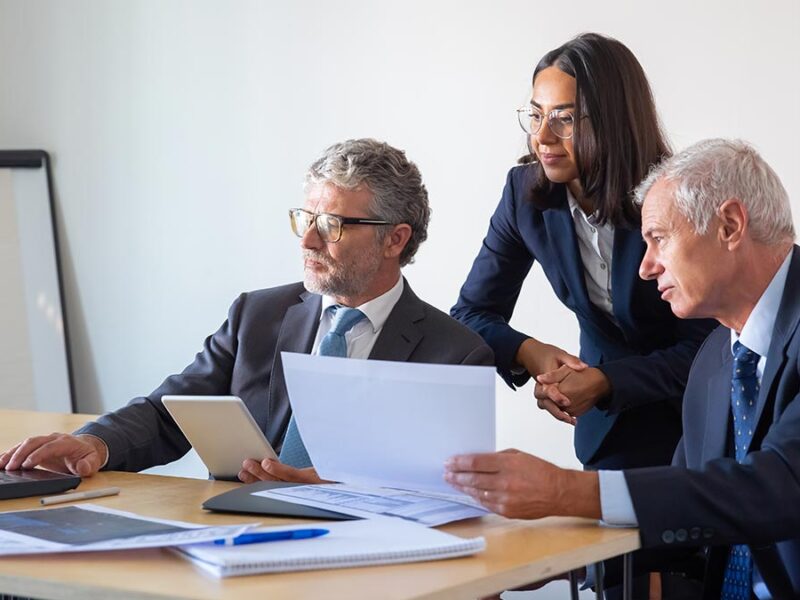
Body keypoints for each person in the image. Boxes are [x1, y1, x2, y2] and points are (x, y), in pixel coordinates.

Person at [0, 138, 493, 484]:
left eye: (331, 224)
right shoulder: (258, 315)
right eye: (304, 218)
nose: (307, 240)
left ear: (396, 239)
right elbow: (166, 412)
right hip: (236, 546)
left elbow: (454, 491)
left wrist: (345, 489)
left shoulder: (455, 354)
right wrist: (94, 444)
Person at [445, 139, 800, 598]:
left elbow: (778, 487)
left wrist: (566, 491)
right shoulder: (714, 358)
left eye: (658, 238)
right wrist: (546, 553)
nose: (646, 269)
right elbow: (688, 515)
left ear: (729, 226)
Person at [451, 32, 716, 471]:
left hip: (698, 426)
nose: (542, 137)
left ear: (611, 120)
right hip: (608, 433)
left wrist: (607, 381)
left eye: (564, 119)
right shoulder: (524, 195)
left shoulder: (677, 198)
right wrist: (530, 352)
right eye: (535, 116)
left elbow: (711, 346)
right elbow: (470, 313)